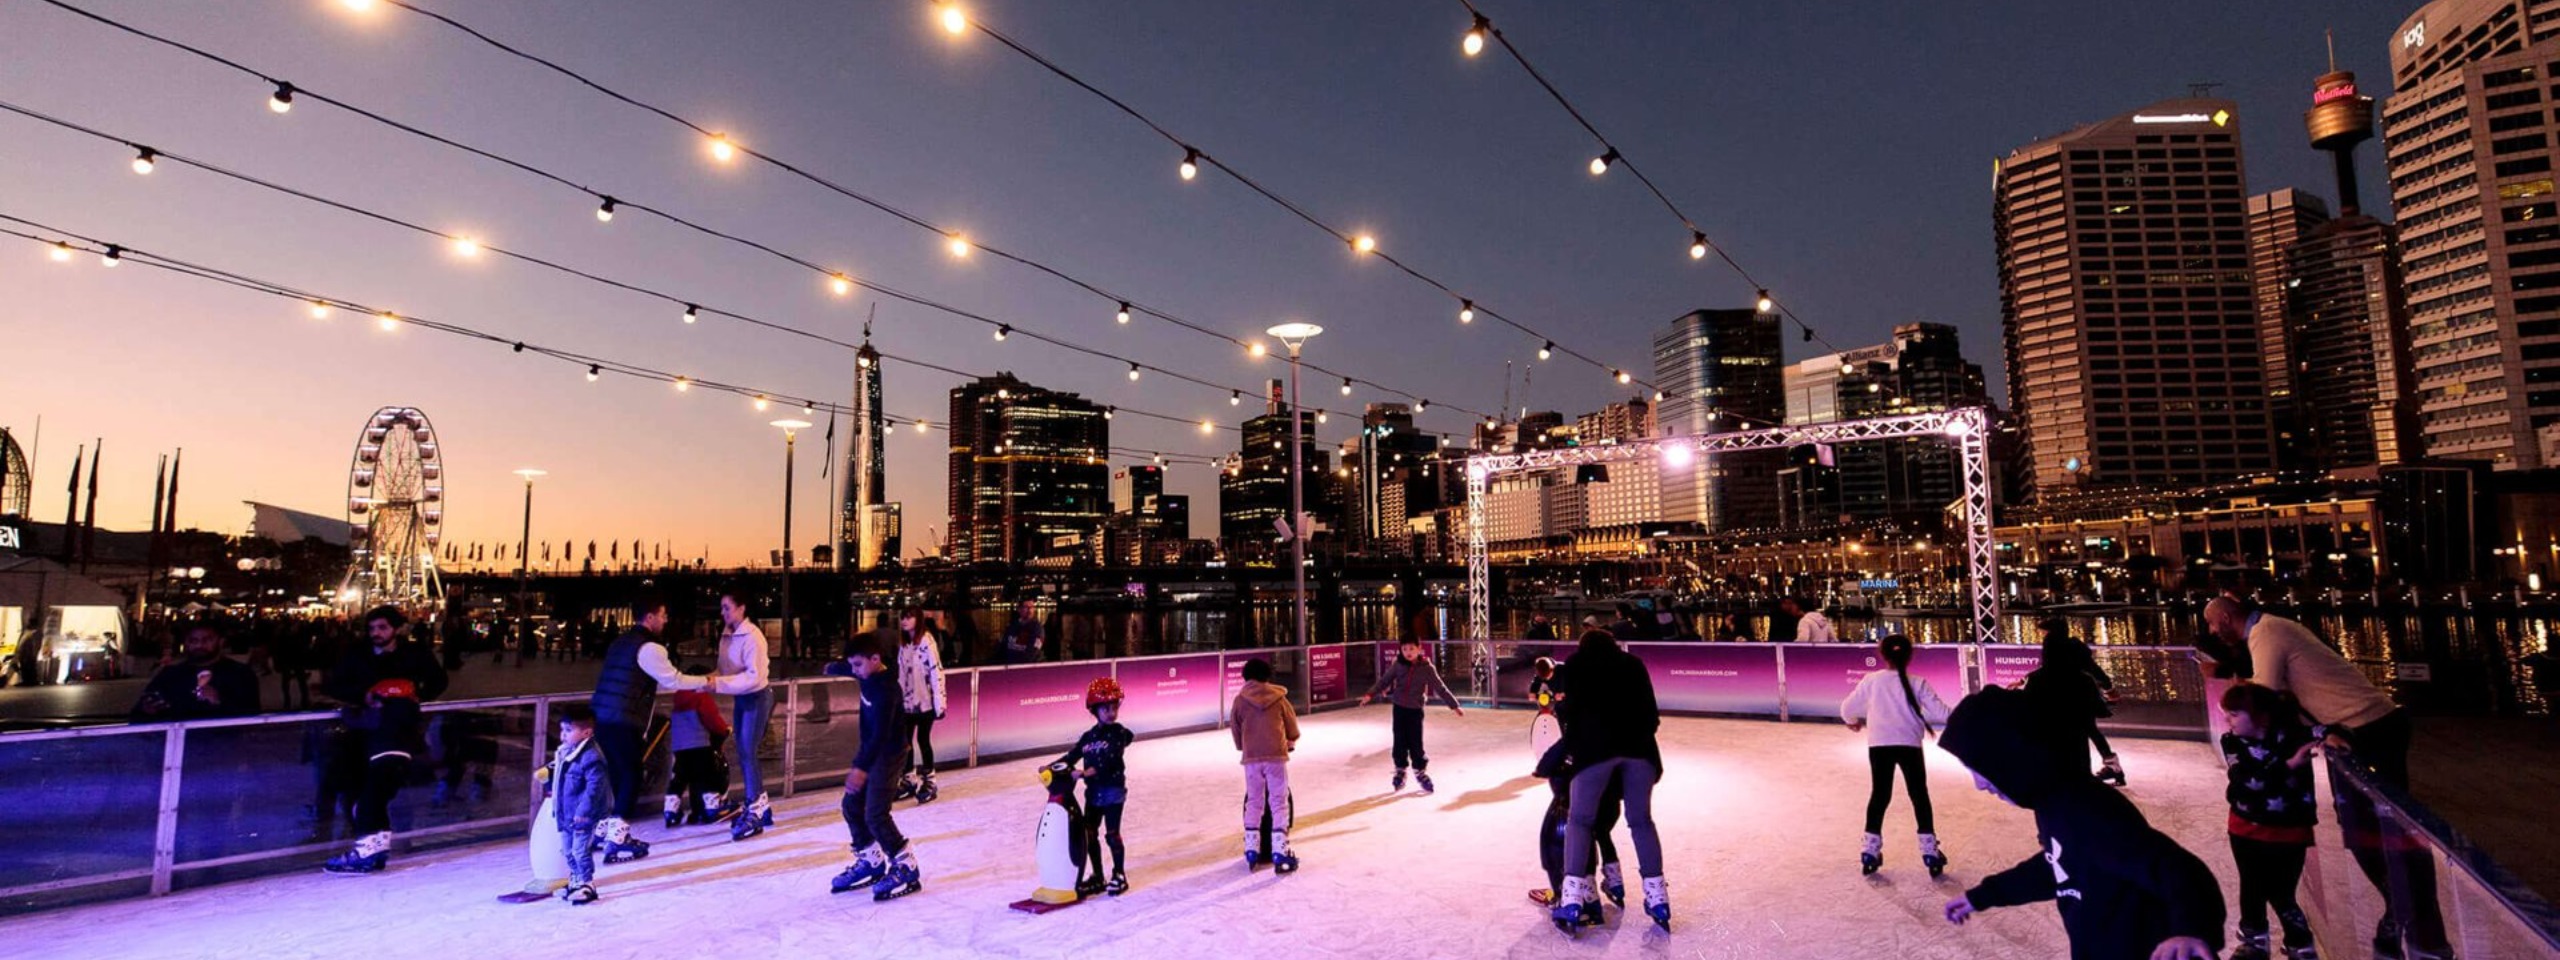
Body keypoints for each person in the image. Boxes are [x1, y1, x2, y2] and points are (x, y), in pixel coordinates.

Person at [2204, 597, 2445, 959]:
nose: (2210, 631)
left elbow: (2263, 697)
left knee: (2381, 833)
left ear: (2225, 618)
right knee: (2371, 831)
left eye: (2211, 624)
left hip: (2369, 729)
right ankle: (2407, 919)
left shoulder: (2267, 632)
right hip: (2355, 729)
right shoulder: (2271, 630)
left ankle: (2415, 926)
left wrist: (2224, 675)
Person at [1938, 685, 2222, 960]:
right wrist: (1985, 894)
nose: (1979, 785)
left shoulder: (2086, 809)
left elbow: (2176, 867)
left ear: (2011, 758)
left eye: (1980, 770)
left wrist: (2190, 930)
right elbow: (2060, 865)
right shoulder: (2054, 805)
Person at [1549, 629, 1671, 935]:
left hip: (1594, 752)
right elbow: (1652, 716)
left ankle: (1573, 898)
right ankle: (1657, 898)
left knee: (1580, 821)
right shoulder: (1634, 664)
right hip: (1640, 751)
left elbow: (1569, 713)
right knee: (1641, 821)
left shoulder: (1575, 665)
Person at [322, 605, 449, 875]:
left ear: (396, 629)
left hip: (396, 731)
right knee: (358, 791)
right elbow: (334, 684)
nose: (376, 633)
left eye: (382, 628)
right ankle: (370, 849)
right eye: (372, 629)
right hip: (359, 731)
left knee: (378, 790)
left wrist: (414, 695)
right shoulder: (357, 654)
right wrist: (364, 694)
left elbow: (438, 680)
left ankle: (371, 850)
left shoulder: (414, 653)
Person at [589, 591, 708, 860]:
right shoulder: (650, 647)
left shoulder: (620, 642)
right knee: (631, 774)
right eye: (664, 616)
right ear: (651, 616)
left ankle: (604, 829)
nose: (666, 621)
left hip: (602, 716)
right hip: (623, 719)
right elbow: (673, 680)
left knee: (617, 775)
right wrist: (705, 681)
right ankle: (617, 836)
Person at [2218, 683, 2320, 960]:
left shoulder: (2291, 737)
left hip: (2289, 829)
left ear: (2260, 716)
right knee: (2251, 884)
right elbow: (2249, 782)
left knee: (2281, 891)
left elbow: (2329, 729)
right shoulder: (2232, 742)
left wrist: (2332, 736)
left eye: (2235, 714)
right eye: (2227, 714)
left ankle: (2299, 942)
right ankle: (2254, 940)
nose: (2228, 721)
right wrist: (2288, 766)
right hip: (2245, 825)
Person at [1840, 634, 1952, 877]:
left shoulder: (1872, 681)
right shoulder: (1918, 683)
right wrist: (1972, 715)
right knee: (1919, 795)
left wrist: (1853, 722)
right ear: (1910, 655)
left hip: (1879, 745)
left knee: (1880, 794)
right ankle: (1930, 851)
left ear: (1882, 654)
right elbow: (1943, 713)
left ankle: (1870, 849)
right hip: (1909, 745)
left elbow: (1847, 708)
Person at [822, 633, 922, 900]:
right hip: (871, 754)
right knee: (851, 806)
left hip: (888, 755)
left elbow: (879, 734)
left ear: (875, 660)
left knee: (875, 814)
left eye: (857, 665)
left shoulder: (886, 690)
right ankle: (871, 859)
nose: (854, 671)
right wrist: (835, 667)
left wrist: (860, 768)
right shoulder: (867, 672)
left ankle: (905, 864)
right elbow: (852, 668)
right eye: (852, 665)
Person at [1530, 739, 1627, 921]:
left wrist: (1543, 768)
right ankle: (1614, 883)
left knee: (1575, 839)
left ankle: (1570, 898)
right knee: (1601, 834)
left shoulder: (1580, 731)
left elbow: (1551, 760)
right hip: (1610, 804)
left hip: (1580, 807)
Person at [1056, 677, 1135, 896]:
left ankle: (1119, 874)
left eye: (1114, 707)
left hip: (1112, 792)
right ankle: (1098, 876)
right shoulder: (1089, 737)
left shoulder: (1119, 733)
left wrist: (1085, 772)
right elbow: (1072, 755)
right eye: (1106, 708)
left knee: (1111, 834)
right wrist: (1053, 766)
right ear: (1095, 710)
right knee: (1090, 833)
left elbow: (1111, 758)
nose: (1111, 712)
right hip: (1093, 794)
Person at [708, 588, 776, 841]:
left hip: (757, 696)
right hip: (742, 697)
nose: (723, 612)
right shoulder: (727, 636)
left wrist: (717, 683)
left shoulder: (753, 637)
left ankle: (755, 805)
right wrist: (704, 680)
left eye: (727, 607)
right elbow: (724, 670)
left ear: (741, 608)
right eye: (722, 607)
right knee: (743, 749)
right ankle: (761, 805)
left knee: (748, 750)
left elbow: (753, 677)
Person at [1358, 637, 1465, 794]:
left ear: (1419, 649)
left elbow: (1440, 688)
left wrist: (1454, 705)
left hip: (1415, 710)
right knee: (1399, 740)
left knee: (1415, 742)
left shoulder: (1427, 668)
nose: (1408, 652)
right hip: (1399, 708)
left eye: (1411, 649)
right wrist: (1370, 694)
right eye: (1405, 649)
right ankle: (1400, 769)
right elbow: (1385, 680)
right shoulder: (1398, 665)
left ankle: (1420, 771)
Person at [2027, 620, 2124, 787]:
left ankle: (2081, 773)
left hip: (2065, 696)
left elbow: (2047, 670)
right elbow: (2092, 668)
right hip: (2080, 693)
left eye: (2044, 632)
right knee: (2088, 730)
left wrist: (2108, 688)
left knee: (2076, 732)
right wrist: (2108, 688)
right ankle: (2112, 768)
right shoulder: (2073, 647)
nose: (2042, 635)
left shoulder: (2053, 646)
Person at [1231, 657, 1300, 874]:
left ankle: (1252, 846)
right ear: (1267, 675)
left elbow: (1235, 726)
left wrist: (1242, 745)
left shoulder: (1240, 699)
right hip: (1276, 757)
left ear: (1246, 677)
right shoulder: (1279, 698)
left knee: (1254, 800)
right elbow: (1291, 725)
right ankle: (1279, 849)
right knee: (1278, 801)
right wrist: (1291, 739)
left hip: (1252, 758)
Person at [132, 622, 261, 720]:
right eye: (194, 641)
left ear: (221, 642)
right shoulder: (170, 674)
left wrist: (218, 702)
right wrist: (147, 710)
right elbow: (138, 714)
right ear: (185, 644)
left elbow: (252, 717)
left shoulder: (240, 674)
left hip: (223, 745)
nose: (199, 645)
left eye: (207, 640)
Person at [546, 705, 608, 905]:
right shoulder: (566, 753)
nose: (563, 735)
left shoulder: (591, 757)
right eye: (562, 730)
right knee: (567, 850)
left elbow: (595, 787)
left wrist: (584, 812)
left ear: (586, 732)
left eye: (568, 730)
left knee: (580, 851)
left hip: (581, 816)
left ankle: (587, 884)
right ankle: (575, 880)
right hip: (566, 813)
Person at [896, 608, 949, 804]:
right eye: (903, 617)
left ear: (918, 619)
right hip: (907, 703)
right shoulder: (904, 644)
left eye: (908, 617)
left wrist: (940, 701)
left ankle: (930, 780)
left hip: (925, 702)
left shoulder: (927, 641)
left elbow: (936, 671)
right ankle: (909, 778)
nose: (904, 620)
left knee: (923, 739)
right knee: (906, 741)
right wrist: (898, 701)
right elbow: (901, 675)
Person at [665, 681, 732, 828]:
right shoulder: (701, 697)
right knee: (706, 776)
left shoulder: (678, 699)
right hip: (700, 743)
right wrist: (724, 730)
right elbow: (711, 718)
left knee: (681, 778)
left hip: (680, 747)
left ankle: (671, 810)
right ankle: (711, 808)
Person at [997, 600, 1044, 665]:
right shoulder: (1011, 627)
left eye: (1032, 607)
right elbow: (1003, 646)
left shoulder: (1037, 628)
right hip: (1009, 666)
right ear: (1019, 609)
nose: (1029, 610)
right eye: (1026, 607)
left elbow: (1033, 652)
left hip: (1026, 668)